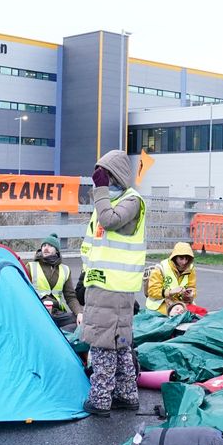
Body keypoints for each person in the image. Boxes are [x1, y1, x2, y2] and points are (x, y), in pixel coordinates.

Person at [80, 149, 146, 415]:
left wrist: (100, 191)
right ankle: (125, 394)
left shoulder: (131, 201)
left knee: (104, 343)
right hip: (101, 284)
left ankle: (100, 399)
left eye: (104, 174)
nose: (99, 180)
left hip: (116, 286)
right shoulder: (107, 202)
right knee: (117, 343)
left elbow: (110, 221)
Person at [26, 233, 82, 332]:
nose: (46, 248)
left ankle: (58, 335)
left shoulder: (65, 269)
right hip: (38, 311)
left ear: (56, 250)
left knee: (79, 322)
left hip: (58, 313)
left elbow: (70, 297)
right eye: (44, 245)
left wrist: (79, 313)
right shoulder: (31, 266)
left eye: (50, 246)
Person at [145, 242, 197, 316]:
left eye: (187, 259)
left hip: (181, 303)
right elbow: (152, 292)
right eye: (181, 258)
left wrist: (190, 295)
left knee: (202, 313)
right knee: (178, 317)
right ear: (175, 257)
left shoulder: (191, 269)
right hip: (161, 304)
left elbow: (192, 288)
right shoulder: (160, 268)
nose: (184, 262)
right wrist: (170, 292)